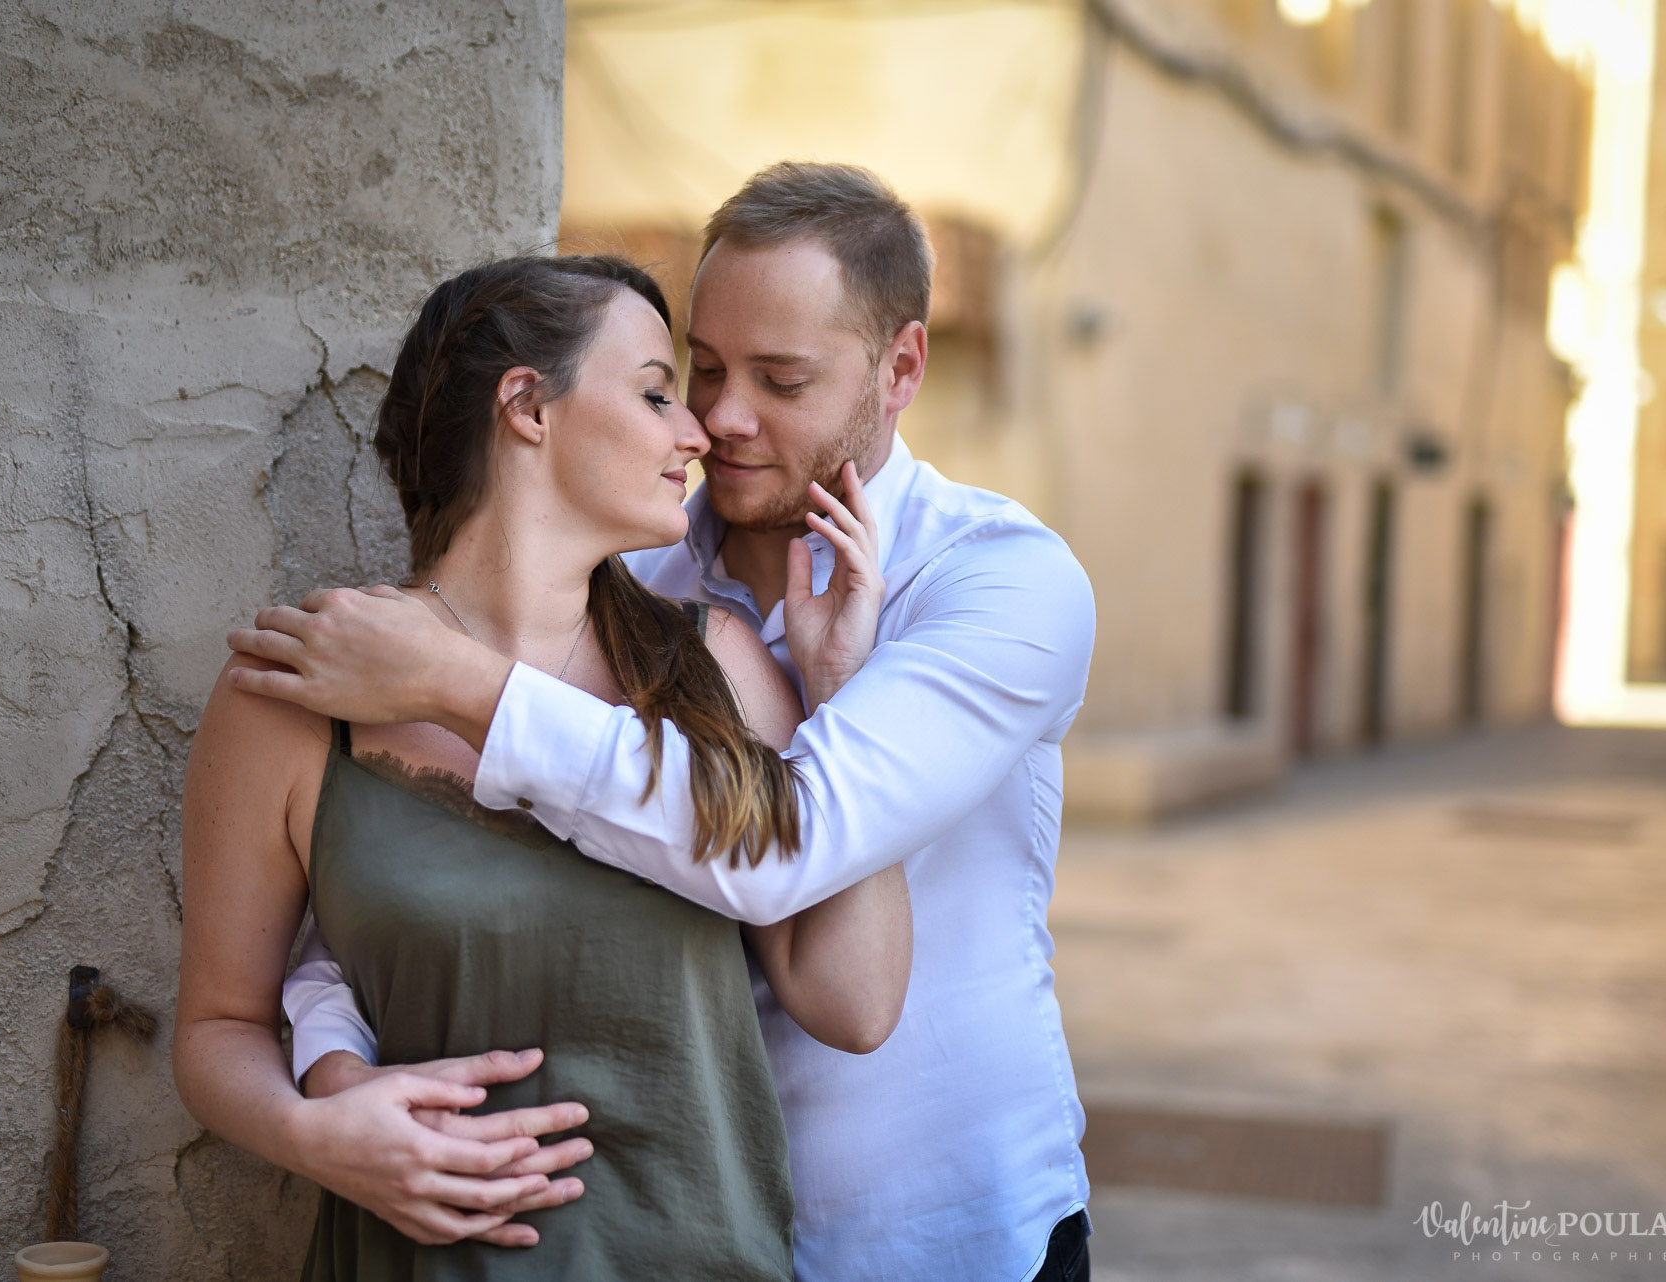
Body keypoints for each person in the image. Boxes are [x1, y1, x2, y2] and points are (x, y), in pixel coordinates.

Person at [238, 162, 1097, 1282]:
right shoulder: (617, 577)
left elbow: (809, 838)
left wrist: (460, 685)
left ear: (901, 368)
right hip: (668, 1223)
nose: (719, 420)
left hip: (938, 1231)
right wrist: (336, 1076)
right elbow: (389, 891)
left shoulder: (1002, 584)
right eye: (698, 372)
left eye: (780, 379)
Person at [173, 252, 912, 1278]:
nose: (697, 432)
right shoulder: (296, 701)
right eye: (658, 393)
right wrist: (317, 1138)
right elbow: (217, 1026)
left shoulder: (717, 666)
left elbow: (855, 998)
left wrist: (839, 695)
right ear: (528, 406)